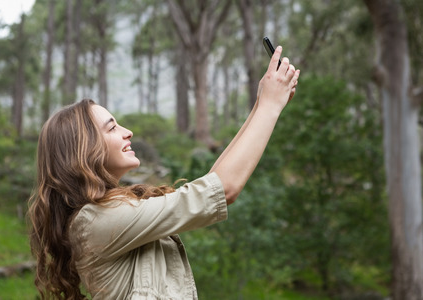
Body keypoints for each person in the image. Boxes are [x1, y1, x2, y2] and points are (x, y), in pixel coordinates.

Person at [28, 46, 300, 300]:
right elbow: (223, 189)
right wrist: (269, 107)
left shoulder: (108, 213)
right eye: (112, 128)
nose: (127, 132)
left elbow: (212, 184)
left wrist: (262, 103)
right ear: (83, 152)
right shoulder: (94, 221)